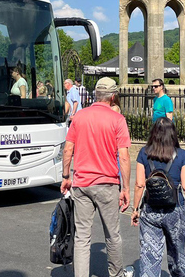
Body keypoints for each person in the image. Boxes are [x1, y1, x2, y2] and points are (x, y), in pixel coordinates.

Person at [61, 77, 131, 277]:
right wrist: (125, 188)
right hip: (107, 184)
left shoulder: (80, 117)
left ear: (95, 94)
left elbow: (68, 149)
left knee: (82, 237)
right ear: (113, 96)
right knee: (112, 235)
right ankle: (116, 274)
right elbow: (124, 157)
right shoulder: (118, 120)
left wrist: (66, 176)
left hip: (81, 184)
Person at [131, 118, 185, 277]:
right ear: (173, 133)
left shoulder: (144, 153)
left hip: (150, 210)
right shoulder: (182, 155)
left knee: (149, 256)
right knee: (177, 255)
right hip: (175, 211)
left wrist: (135, 209)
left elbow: (139, 184)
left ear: (153, 133)